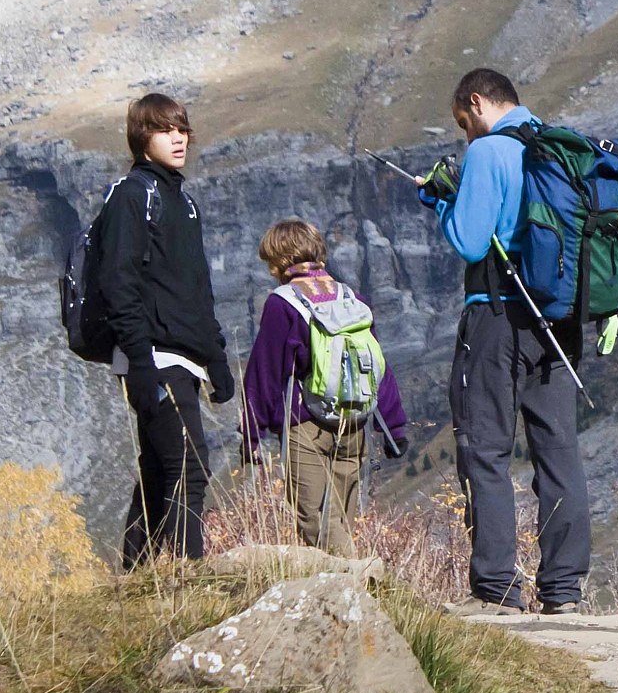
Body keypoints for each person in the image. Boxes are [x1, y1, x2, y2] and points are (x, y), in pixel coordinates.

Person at [419, 68, 589, 615]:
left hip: (496, 316)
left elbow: (471, 242)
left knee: (484, 450)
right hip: (558, 321)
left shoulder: (490, 152)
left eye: (463, 122)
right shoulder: (556, 144)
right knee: (558, 453)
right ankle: (563, 591)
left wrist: (442, 199)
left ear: (475, 103)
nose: (465, 134)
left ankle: (497, 589)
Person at [95, 92, 233, 568]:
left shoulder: (181, 200)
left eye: (182, 128)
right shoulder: (133, 196)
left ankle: (134, 580)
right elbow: (119, 282)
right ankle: (189, 581)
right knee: (190, 470)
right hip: (154, 358)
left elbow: (197, 287)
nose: (178, 138)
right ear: (141, 138)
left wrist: (216, 358)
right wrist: (139, 362)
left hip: (184, 359)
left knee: (158, 475)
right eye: (164, 129)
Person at [239, 219, 409, 554]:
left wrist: (251, 433)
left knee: (314, 519)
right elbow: (377, 366)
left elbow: (266, 372)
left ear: (278, 260)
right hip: (355, 423)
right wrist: (393, 426)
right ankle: (350, 590)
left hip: (307, 425)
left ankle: (356, 584)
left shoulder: (283, 303)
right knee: (339, 520)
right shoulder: (351, 297)